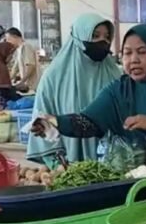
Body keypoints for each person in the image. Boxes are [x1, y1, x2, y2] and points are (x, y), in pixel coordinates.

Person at [31, 24, 146, 162]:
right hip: (135, 176)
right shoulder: (119, 90)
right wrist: (54, 122)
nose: (133, 60)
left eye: (142, 52)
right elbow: (88, 121)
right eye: (127, 53)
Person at [27, 13, 122, 165]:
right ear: (78, 37)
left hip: (115, 162)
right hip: (69, 165)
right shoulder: (54, 77)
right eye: (95, 36)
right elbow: (42, 120)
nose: (102, 41)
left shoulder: (115, 73)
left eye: (106, 37)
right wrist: (58, 165)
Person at [5, 27, 41, 92]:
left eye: (9, 39)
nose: (8, 42)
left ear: (15, 37)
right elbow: (15, 68)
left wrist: (22, 81)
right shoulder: (19, 49)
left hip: (32, 86)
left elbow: (30, 66)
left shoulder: (26, 46)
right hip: (27, 85)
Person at [0, 42, 20, 109]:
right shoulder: (0, 66)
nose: (12, 57)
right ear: (4, 53)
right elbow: (4, 91)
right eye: (11, 54)